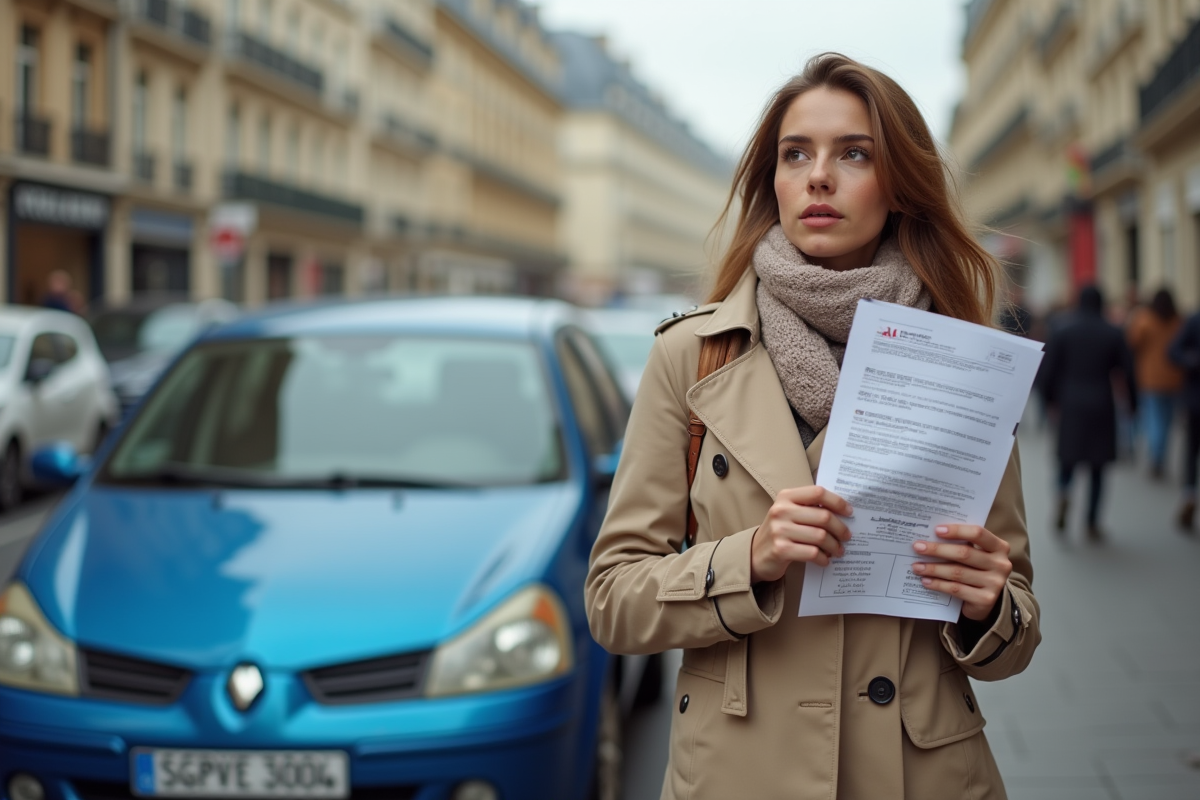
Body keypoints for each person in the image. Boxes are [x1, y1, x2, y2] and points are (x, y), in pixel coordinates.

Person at [585, 53, 1040, 799]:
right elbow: (611, 602)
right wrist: (750, 556)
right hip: (740, 771)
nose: (818, 176)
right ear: (774, 179)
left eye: (853, 153)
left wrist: (989, 604)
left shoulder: (964, 360)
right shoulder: (690, 356)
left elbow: (1015, 630)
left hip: (915, 772)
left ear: (896, 184)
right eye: (796, 154)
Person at [1040, 285, 1135, 541]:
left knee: (1067, 460)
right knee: (1098, 466)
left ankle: (1063, 492)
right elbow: (1128, 371)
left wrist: (1049, 400)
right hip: (1102, 403)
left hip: (1070, 402)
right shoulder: (1113, 332)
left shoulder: (1062, 329)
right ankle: (1092, 521)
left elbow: (1048, 370)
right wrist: (1133, 406)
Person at [1126, 288, 1183, 478]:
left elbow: (1133, 342)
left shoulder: (1146, 319)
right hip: (1174, 378)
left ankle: (1156, 457)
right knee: (1166, 421)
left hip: (1150, 378)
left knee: (1154, 420)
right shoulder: (1177, 321)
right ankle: (1160, 456)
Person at [1168, 309, 1200, 532]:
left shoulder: (1194, 319)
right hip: (1194, 398)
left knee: (1191, 450)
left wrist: (1190, 360)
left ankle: (1189, 493)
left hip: (1194, 398)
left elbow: (1173, 351)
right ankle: (1189, 494)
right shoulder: (1194, 320)